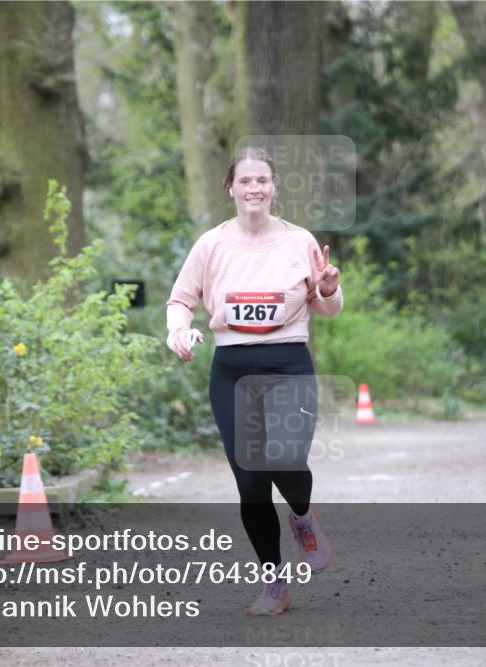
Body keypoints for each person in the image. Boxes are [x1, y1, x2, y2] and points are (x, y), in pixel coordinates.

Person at [165, 147, 343, 616]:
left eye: (262, 180)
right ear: (231, 187)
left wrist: (326, 289)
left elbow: (327, 306)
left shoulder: (298, 240)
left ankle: (303, 516)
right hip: (232, 368)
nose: (254, 189)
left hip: (288, 363)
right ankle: (273, 584)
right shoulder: (211, 245)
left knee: (285, 458)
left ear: (274, 186)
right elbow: (180, 300)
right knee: (250, 483)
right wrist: (179, 332)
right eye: (245, 181)